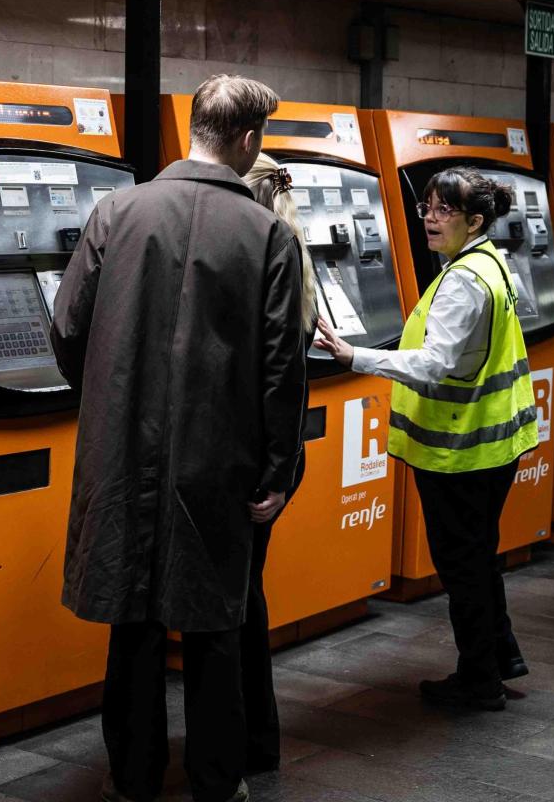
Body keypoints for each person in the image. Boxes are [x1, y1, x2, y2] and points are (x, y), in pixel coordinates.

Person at [51, 75, 307, 802]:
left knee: (130, 622)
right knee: (214, 622)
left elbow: (68, 328)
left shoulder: (116, 212)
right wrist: (278, 467)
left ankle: (132, 778)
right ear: (249, 140)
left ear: (193, 126)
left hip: (121, 453)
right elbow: (281, 367)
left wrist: (108, 402)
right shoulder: (268, 236)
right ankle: (216, 781)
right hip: (218, 459)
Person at [314, 166, 536, 712]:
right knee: (480, 557)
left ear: (475, 220)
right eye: (427, 209)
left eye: (444, 211)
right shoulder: (491, 262)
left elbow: (436, 364)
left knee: (462, 565)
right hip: (493, 444)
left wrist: (354, 356)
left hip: (458, 450)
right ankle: (498, 658)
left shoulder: (463, 279)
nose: (431, 220)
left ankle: (479, 679)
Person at [236, 154, 319, 773]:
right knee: (247, 596)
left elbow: (272, 381)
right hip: (277, 458)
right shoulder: (295, 254)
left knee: (237, 606)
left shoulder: (261, 259)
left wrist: (271, 476)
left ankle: (252, 741)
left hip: (253, 462)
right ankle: (259, 741)